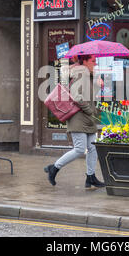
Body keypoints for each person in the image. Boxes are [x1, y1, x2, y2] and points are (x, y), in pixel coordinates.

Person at [44, 54, 105, 189]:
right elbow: (76, 96)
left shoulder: (88, 75)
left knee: (93, 148)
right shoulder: (80, 74)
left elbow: (89, 96)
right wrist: (89, 110)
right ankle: (54, 168)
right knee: (79, 149)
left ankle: (91, 177)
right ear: (84, 61)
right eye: (93, 61)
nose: (95, 64)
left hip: (88, 117)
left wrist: (97, 85)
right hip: (78, 117)